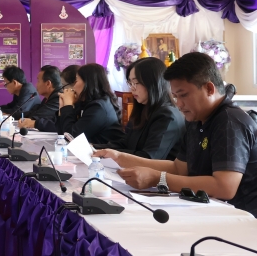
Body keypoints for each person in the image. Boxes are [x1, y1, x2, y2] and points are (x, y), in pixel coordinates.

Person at [95, 53, 257, 216]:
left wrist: (158, 178)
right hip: (206, 210)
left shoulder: (229, 121)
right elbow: (179, 168)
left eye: (183, 95)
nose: (178, 104)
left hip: (241, 218)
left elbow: (224, 187)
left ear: (209, 89)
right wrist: (119, 158)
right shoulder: (196, 119)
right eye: (175, 96)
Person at [94, 58, 185, 160]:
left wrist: (112, 154)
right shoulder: (143, 108)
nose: (132, 88)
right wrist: (94, 148)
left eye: (136, 82)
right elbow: (125, 144)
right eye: (130, 83)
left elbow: (149, 158)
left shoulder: (167, 116)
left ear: (153, 82)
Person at [56, 63, 124, 145]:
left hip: (104, 151)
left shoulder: (98, 107)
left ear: (87, 83)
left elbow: (71, 137)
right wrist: (62, 108)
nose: (73, 86)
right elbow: (61, 135)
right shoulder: (87, 103)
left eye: (76, 81)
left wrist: (67, 106)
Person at [18, 65, 61, 132]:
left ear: (48, 83)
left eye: (38, 81)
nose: (36, 84)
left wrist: (31, 121)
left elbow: (38, 116)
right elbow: (34, 112)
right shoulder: (48, 97)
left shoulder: (58, 97)